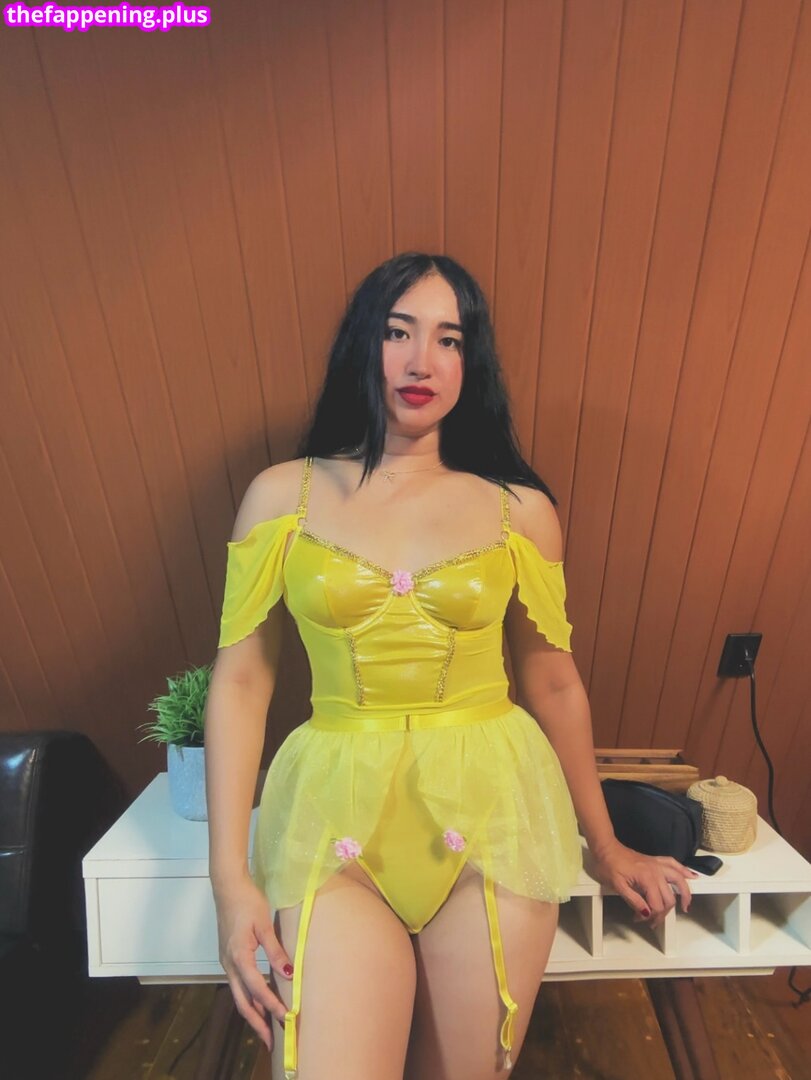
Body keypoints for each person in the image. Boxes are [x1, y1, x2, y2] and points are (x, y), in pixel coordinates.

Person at [205, 252, 697, 1080]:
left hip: (493, 810)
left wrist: (606, 843)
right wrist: (230, 884)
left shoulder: (518, 510)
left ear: (471, 363)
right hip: (334, 810)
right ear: (363, 344)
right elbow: (241, 680)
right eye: (397, 332)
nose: (420, 361)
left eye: (448, 339)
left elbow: (553, 681)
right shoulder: (282, 495)